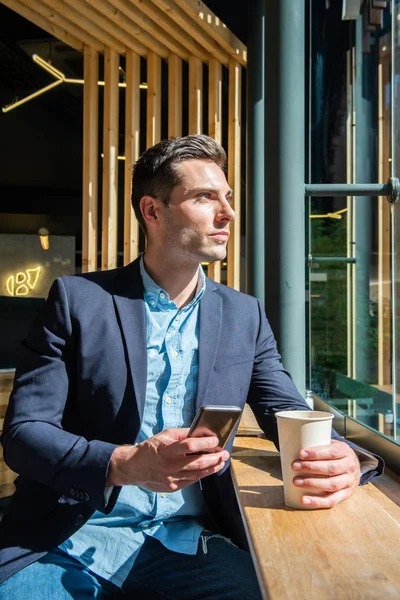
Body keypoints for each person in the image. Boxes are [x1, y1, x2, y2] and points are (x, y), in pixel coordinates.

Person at [0, 135, 383, 599]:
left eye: (228, 198)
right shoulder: (78, 301)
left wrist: (350, 457)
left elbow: (286, 408)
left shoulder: (245, 315)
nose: (228, 213)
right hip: (69, 536)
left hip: (190, 543)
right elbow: (24, 434)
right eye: (205, 197)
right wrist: (123, 463)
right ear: (152, 211)